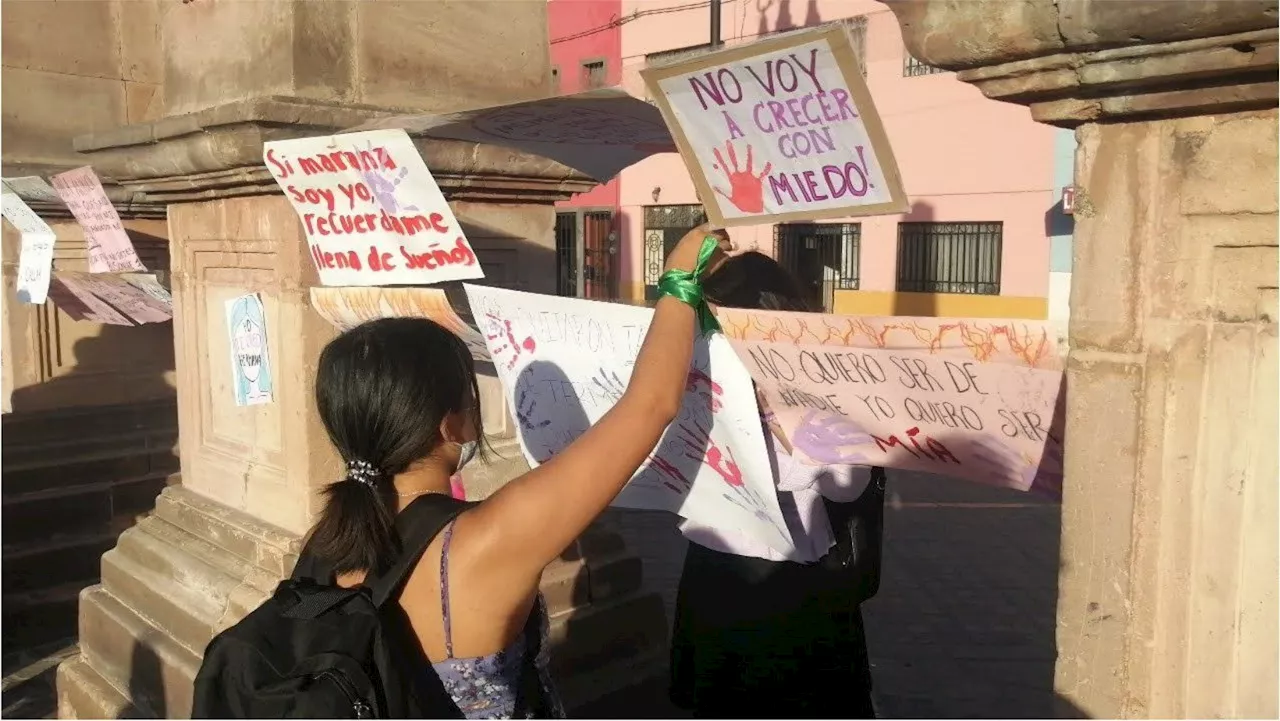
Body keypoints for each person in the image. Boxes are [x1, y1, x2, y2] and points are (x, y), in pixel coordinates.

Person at [299, 225, 730, 718]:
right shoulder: (488, 539)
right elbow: (650, 406)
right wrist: (679, 277)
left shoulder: (327, 539)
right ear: (452, 424)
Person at [668, 251, 885, 719]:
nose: (718, 334)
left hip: (794, 582)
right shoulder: (690, 373)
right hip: (714, 570)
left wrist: (785, 420)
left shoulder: (821, 379)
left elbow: (848, 487)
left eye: (727, 322)